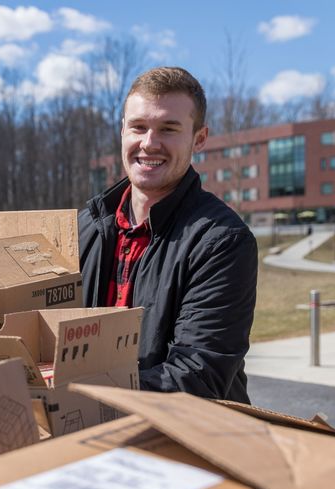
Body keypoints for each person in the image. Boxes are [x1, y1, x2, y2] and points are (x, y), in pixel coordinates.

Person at [77, 66, 257, 403]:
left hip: (186, 439)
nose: (149, 143)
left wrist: (83, 394)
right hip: (86, 431)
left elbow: (200, 373)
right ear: (122, 132)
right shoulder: (83, 228)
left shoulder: (222, 240)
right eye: (139, 127)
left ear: (199, 139)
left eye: (168, 129)